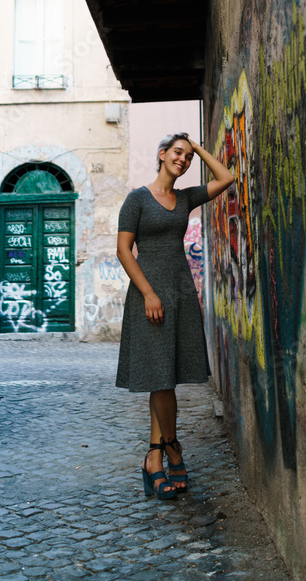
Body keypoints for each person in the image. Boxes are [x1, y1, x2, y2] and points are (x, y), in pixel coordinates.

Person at [115, 132, 234, 499]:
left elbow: (227, 178)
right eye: (177, 153)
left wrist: (198, 147)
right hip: (149, 295)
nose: (183, 160)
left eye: (188, 157)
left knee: (165, 376)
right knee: (161, 379)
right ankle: (172, 450)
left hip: (180, 292)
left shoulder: (185, 198)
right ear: (162, 154)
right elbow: (123, 250)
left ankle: (153, 458)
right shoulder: (137, 199)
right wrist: (148, 292)